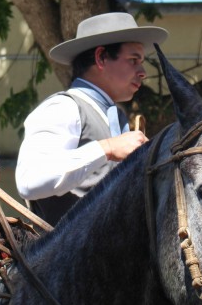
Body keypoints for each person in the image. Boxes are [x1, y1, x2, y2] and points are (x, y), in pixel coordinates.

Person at [14, 12, 167, 226]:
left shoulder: (116, 116)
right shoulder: (63, 107)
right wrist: (106, 148)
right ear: (101, 58)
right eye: (133, 60)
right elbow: (30, 180)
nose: (142, 72)